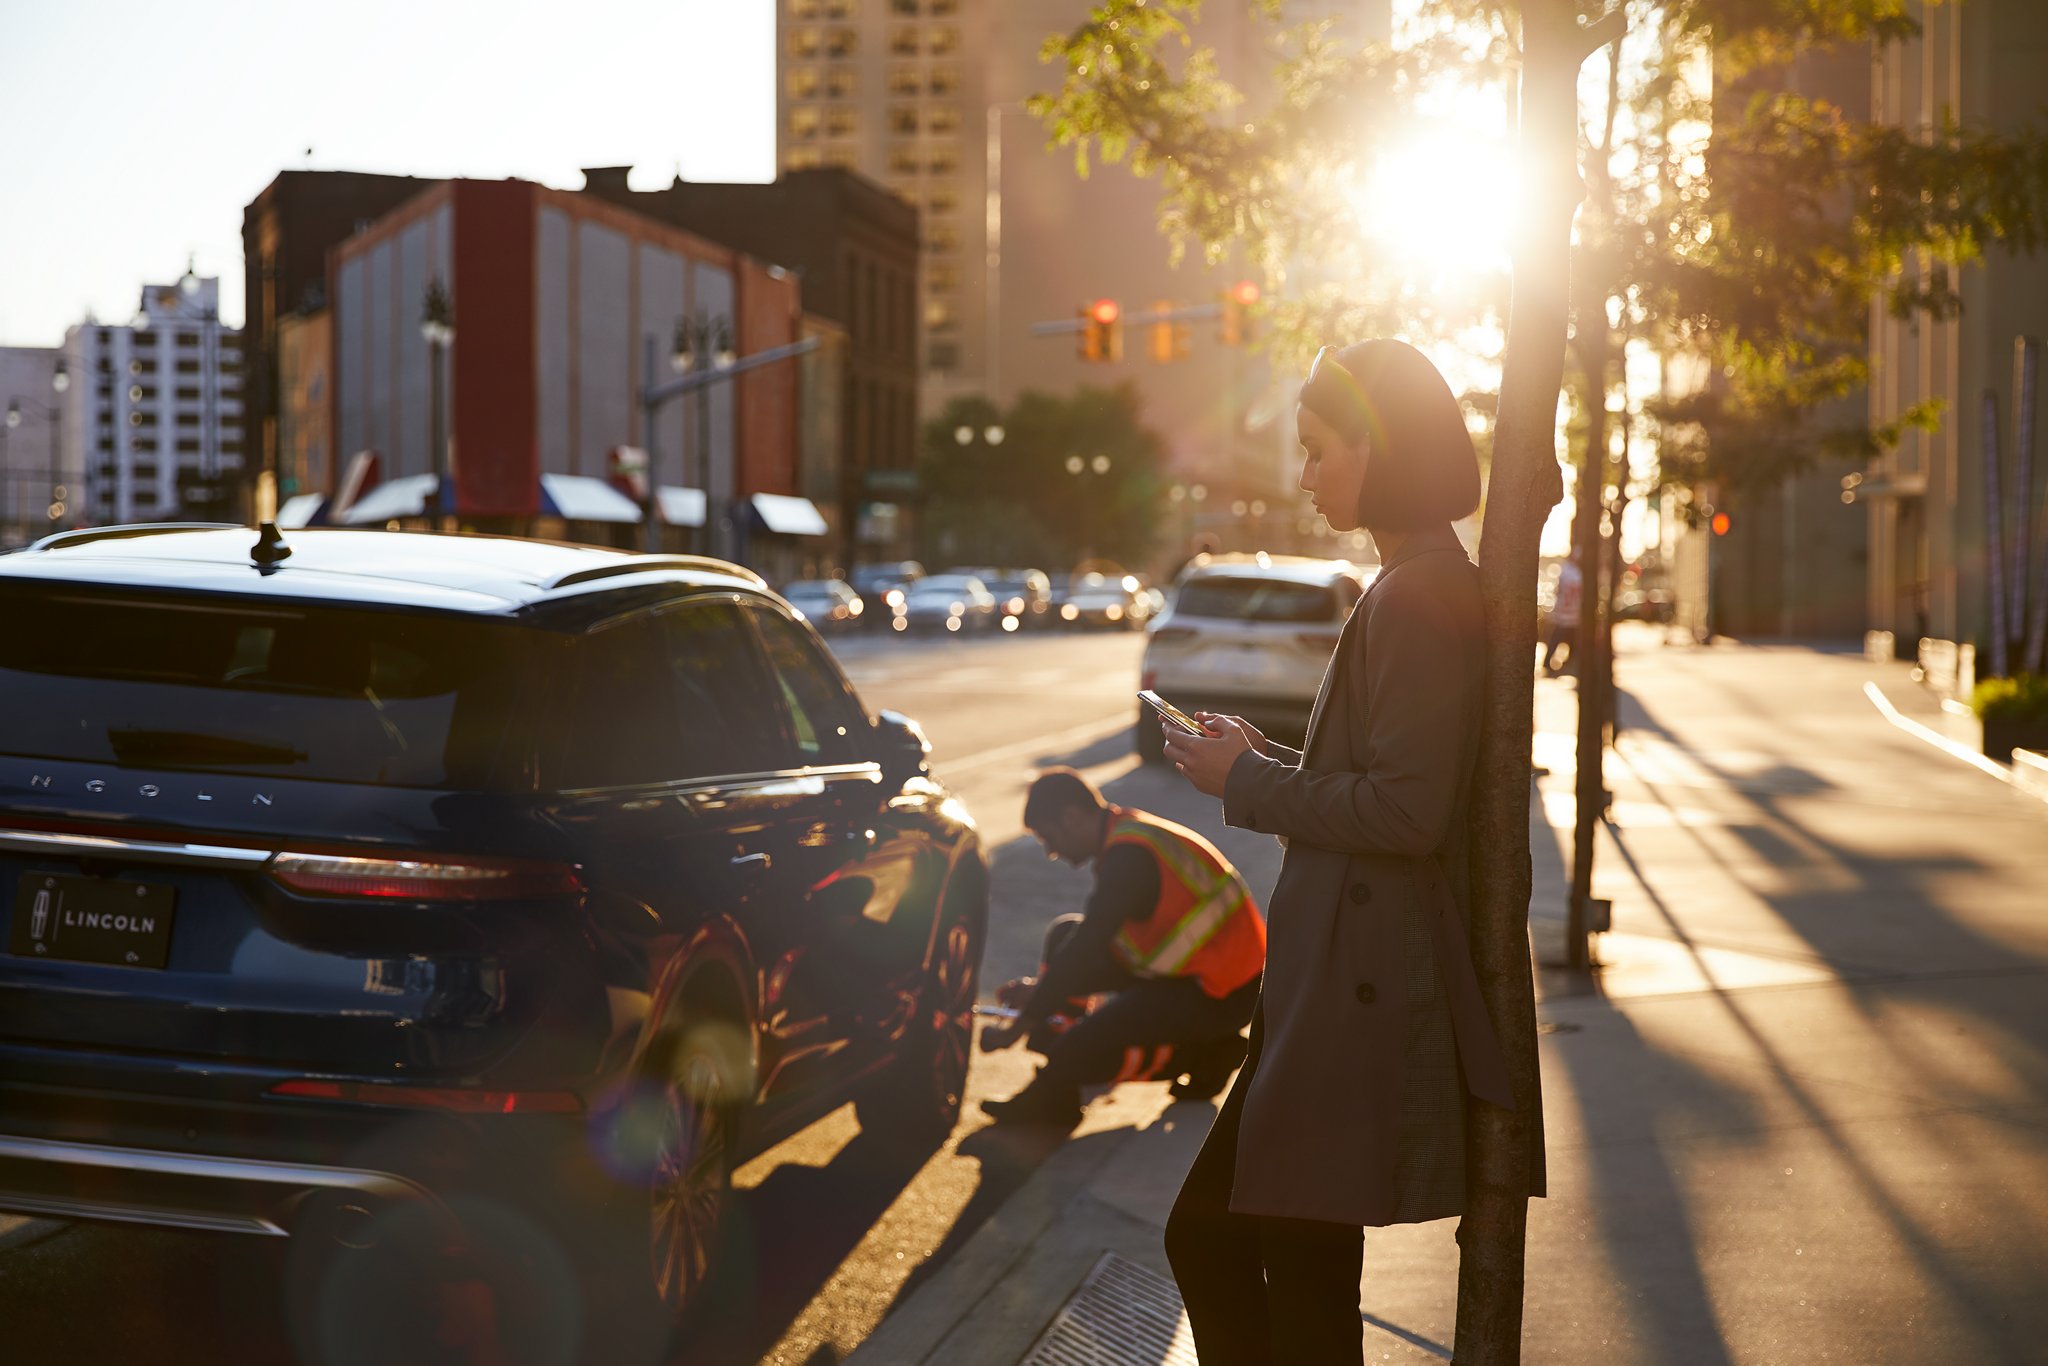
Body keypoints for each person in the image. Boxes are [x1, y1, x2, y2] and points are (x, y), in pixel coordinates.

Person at [1158, 339, 1541, 1364]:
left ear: (1380, 449)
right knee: (1294, 1267)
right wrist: (1261, 755)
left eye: (1319, 448)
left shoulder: (1414, 595)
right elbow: (1381, 777)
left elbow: (1406, 812)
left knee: (1229, 1244)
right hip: (1340, 987)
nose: (1305, 473)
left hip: (1354, 995)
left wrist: (1241, 781)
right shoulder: (1413, 584)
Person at [978, 768, 1266, 1130]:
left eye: (1048, 838)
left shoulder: (1128, 860)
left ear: (1071, 817)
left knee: (1083, 1049)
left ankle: (1208, 1054)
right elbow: (1098, 943)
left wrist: (1019, 1026)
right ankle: (1059, 1069)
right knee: (1065, 930)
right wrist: (1042, 996)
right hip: (1199, 971)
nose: (1050, 852)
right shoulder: (1127, 834)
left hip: (1222, 992)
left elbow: (1087, 948)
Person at [1542, 552, 1583, 675]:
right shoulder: (1577, 574)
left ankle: (1553, 662)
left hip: (1564, 613)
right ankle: (1568, 663)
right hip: (1571, 614)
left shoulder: (1564, 571)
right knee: (1567, 640)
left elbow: (1557, 591)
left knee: (1561, 639)